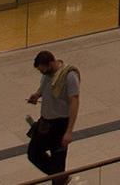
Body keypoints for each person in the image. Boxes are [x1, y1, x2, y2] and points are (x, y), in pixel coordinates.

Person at [26, 50, 80, 185]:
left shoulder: (69, 76)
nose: (42, 73)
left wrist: (69, 132)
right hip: (45, 123)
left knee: (58, 161)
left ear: (50, 63)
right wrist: (37, 94)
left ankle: (59, 177)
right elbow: (44, 86)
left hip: (60, 125)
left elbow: (74, 101)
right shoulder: (47, 74)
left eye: (43, 70)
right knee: (33, 153)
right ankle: (61, 177)